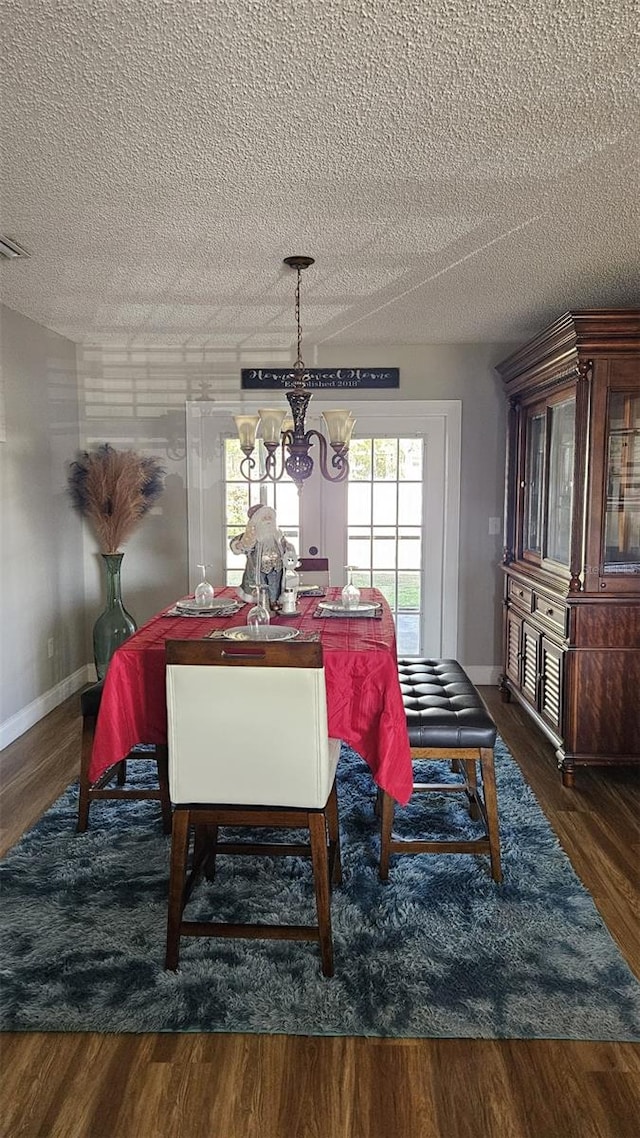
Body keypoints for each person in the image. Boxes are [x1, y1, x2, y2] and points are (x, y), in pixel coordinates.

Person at [229, 504, 297, 605]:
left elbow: (285, 546)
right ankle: (261, 603)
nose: (268, 520)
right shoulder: (251, 537)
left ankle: (274, 602)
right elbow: (237, 543)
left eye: (270, 517)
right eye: (264, 518)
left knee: (275, 586)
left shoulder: (278, 535)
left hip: (276, 569)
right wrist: (239, 545)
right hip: (257, 571)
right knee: (261, 589)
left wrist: (289, 548)